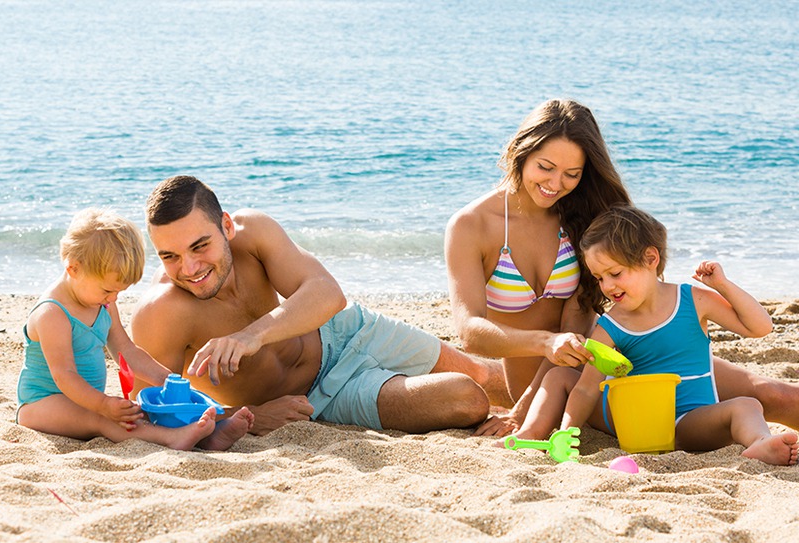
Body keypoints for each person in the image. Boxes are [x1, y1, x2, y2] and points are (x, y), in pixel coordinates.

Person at [446, 98, 799, 437]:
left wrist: (527, 402)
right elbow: (470, 331)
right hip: (561, 385)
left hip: (625, 350)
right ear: (520, 152)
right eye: (545, 167)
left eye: (572, 174)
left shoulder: (584, 214)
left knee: (774, 395)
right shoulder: (471, 225)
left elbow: (581, 312)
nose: (555, 184)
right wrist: (543, 351)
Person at [130, 175, 497, 435]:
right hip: (323, 397)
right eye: (169, 256)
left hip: (344, 330)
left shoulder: (252, 232)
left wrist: (250, 336)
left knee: (481, 373)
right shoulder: (161, 313)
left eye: (199, 246)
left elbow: (328, 294)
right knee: (467, 397)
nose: (189, 268)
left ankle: (535, 407)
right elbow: (148, 414)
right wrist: (250, 415)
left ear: (226, 226)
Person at [509, 206, 798, 465]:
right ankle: (530, 435)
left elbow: (760, 327)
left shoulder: (694, 300)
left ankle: (761, 442)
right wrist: (568, 433)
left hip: (689, 420)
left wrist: (723, 285)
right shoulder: (610, 325)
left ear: (650, 258)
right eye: (599, 278)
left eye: (615, 273)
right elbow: (586, 389)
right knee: (559, 376)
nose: (607, 286)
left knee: (747, 405)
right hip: (633, 425)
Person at [16, 208, 253, 451]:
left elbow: (126, 351)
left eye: (119, 291)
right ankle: (172, 439)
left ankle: (208, 437)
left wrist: (165, 379)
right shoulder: (52, 314)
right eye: (108, 290)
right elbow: (64, 375)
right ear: (73, 269)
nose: (113, 298)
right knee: (103, 420)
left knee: (142, 412)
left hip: (86, 401)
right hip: (42, 404)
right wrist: (103, 405)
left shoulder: (103, 303)